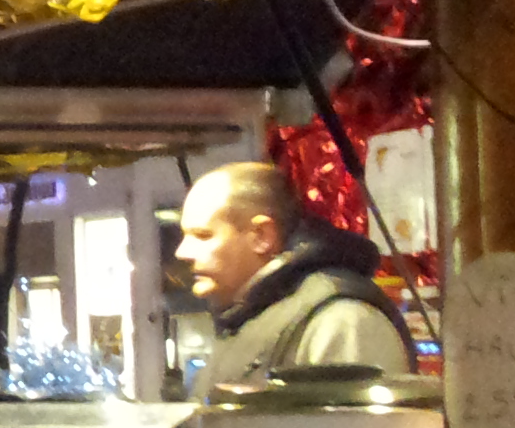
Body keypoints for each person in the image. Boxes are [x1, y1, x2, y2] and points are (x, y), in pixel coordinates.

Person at [174, 160, 415, 392]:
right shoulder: (247, 320)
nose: (182, 252)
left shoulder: (341, 322)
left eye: (203, 235)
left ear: (261, 235)